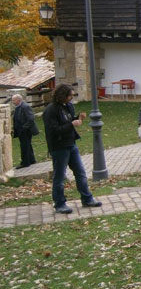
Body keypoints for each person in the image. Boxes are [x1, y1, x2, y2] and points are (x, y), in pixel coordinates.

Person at [43, 84, 102, 214]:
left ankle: (87, 198)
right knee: (59, 176)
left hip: (71, 144)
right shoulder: (51, 111)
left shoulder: (67, 106)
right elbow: (54, 130)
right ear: (61, 96)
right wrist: (71, 125)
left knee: (80, 172)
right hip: (59, 147)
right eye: (69, 95)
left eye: (72, 95)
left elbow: (68, 122)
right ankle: (59, 204)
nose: (71, 98)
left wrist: (78, 119)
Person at [11, 94, 37, 169]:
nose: (13, 102)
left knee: (24, 146)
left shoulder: (25, 106)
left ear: (19, 100)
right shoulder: (18, 107)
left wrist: (23, 128)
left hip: (25, 131)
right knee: (27, 145)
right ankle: (32, 160)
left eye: (14, 100)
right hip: (21, 130)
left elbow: (31, 119)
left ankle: (25, 162)